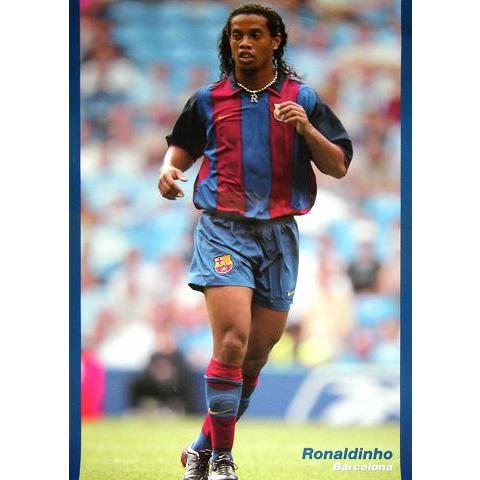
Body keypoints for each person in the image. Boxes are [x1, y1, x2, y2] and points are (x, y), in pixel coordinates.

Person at [157, 4, 353, 480]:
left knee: (256, 355)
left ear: (275, 41)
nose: (244, 43)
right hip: (224, 231)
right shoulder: (208, 99)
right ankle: (222, 461)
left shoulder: (303, 98)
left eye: (254, 35)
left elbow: (338, 166)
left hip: (279, 235)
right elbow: (182, 145)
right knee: (231, 341)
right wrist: (169, 168)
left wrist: (306, 128)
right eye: (236, 36)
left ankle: (202, 447)